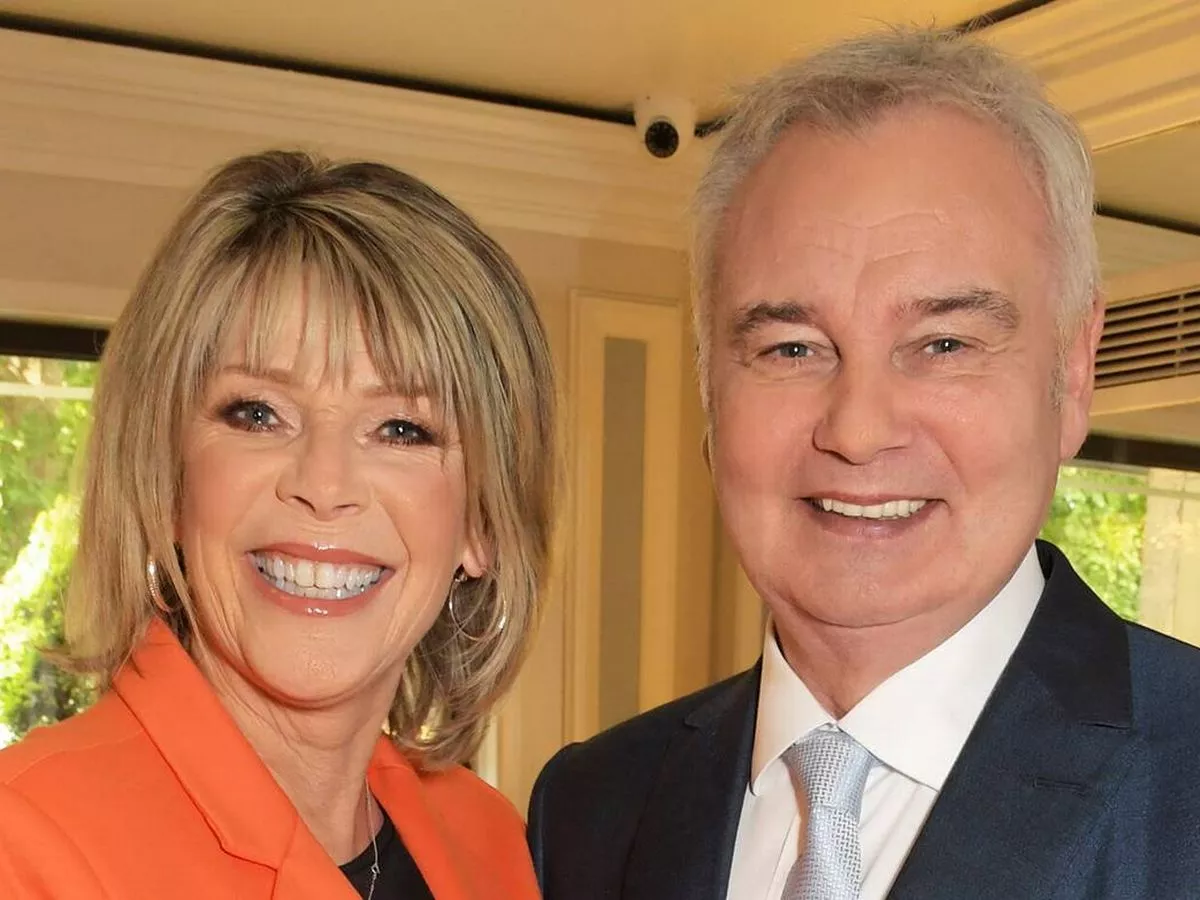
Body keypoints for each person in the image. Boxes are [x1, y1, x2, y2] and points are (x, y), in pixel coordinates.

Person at [528, 26, 1200, 900]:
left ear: (1072, 372)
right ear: (708, 387)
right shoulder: (589, 810)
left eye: (944, 343)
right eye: (792, 348)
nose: (857, 429)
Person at [0, 150, 555, 899]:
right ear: (167, 479)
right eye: (257, 413)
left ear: (481, 523)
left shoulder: (492, 844)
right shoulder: (23, 846)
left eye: (401, 429)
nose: (323, 486)